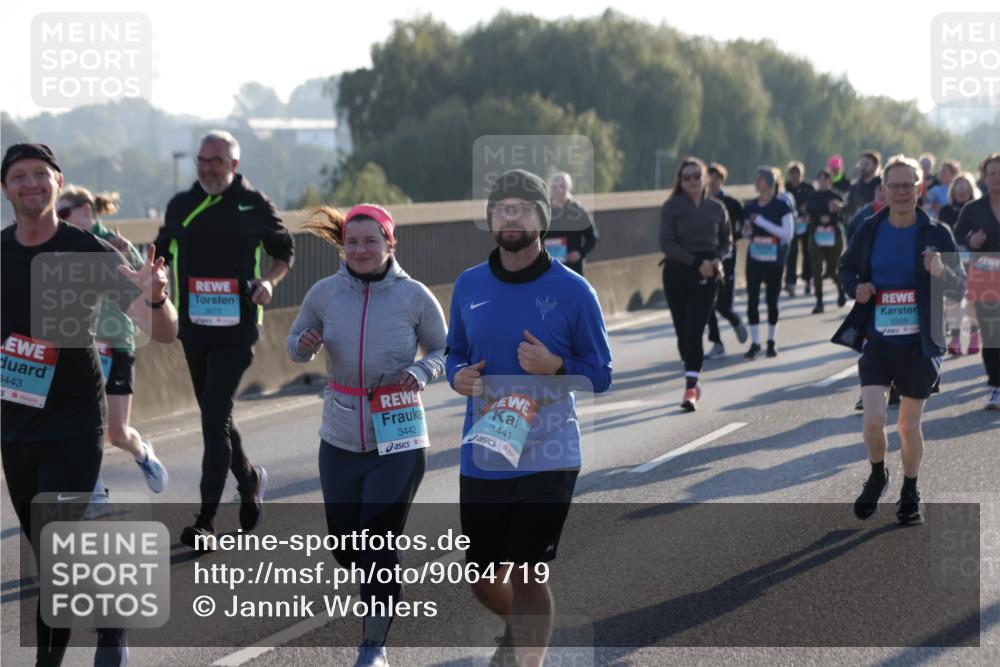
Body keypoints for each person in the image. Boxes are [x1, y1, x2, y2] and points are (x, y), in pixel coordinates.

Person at [2, 143, 177, 666]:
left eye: (40, 174)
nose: (30, 184)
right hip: (14, 424)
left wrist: (154, 295)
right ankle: (111, 617)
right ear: (6, 188)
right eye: (18, 176)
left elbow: (163, 333)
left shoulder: (87, 250)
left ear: (58, 183)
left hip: (75, 420)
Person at [446, 169, 613, 667]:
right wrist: (457, 376)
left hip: (550, 451)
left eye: (521, 207)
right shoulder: (468, 285)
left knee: (529, 574)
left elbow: (601, 375)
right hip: (486, 453)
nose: (510, 216)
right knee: (481, 579)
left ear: (543, 216)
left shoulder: (574, 291)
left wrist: (557, 366)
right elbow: (454, 352)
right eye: (501, 208)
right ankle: (519, 629)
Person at [288, 204, 447, 667]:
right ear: (344, 245)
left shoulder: (414, 296)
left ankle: (373, 646)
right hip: (339, 433)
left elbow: (444, 347)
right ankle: (385, 580)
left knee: (378, 542)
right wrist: (303, 345)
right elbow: (294, 345)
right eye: (352, 242)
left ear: (389, 244)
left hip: (397, 438)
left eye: (370, 241)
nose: (360, 249)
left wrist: (421, 370)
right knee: (344, 543)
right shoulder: (324, 294)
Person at [154, 130, 295, 550]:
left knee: (213, 417)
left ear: (233, 165)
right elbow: (162, 252)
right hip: (194, 328)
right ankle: (248, 479)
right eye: (202, 159)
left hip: (237, 328)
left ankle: (205, 521)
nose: (208, 167)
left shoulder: (254, 204)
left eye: (217, 160)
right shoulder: (182, 204)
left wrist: (269, 282)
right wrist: (155, 278)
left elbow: (284, 253)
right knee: (217, 416)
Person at [833, 154, 965, 525]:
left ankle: (910, 489)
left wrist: (941, 270)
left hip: (920, 343)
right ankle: (878, 474)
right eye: (896, 185)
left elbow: (959, 289)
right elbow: (845, 268)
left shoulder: (937, 233)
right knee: (873, 419)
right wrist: (854, 287)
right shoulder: (870, 229)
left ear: (920, 189)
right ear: (885, 190)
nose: (903, 192)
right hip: (878, 339)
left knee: (908, 426)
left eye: (910, 185)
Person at [56, 186, 169, 509]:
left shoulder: (117, 245)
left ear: (87, 210)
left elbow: (149, 287)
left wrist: (131, 256)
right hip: (80, 347)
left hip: (116, 344)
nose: (59, 221)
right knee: (81, 423)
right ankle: (95, 490)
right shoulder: (64, 248)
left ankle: (142, 452)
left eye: (64, 213)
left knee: (116, 434)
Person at [659, 157, 731, 410]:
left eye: (696, 176)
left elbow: (726, 241)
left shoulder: (717, 208)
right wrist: (694, 262)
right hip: (677, 272)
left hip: (709, 273)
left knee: (694, 331)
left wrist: (718, 260)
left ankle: (690, 387)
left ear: (705, 179)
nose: (691, 181)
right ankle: (691, 373)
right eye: (686, 177)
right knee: (682, 333)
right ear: (680, 181)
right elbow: (666, 244)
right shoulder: (671, 207)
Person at [953, 152, 1000, 410]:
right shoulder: (973, 209)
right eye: (992, 173)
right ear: (984, 177)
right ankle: (996, 386)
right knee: (992, 334)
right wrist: (970, 241)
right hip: (985, 276)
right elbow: (957, 235)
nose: (996, 178)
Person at [742, 166, 794, 358]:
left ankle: (771, 341)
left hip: (774, 259)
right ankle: (755, 343)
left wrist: (762, 222)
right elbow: (745, 232)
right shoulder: (750, 206)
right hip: (755, 257)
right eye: (756, 179)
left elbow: (787, 235)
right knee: (752, 300)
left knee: (772, 300)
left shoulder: (782, 206)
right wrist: (747, 230)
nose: (756, 182)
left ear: (770, 182)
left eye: (760, 179)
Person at [705, 162, 749, 358]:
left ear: (721, 181)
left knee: (723, 305)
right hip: (705, 260)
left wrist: (733, 239)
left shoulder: (732, 203)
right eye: (709, 177)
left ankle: (735, 321)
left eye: (716, 178)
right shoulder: (700, 203)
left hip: (726, 259)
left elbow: (745, 227)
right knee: (705, 304)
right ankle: (716, 342)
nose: (712, 182)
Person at [938, 172, 982, 357]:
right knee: (953, 299)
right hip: (951, 259)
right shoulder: (946, 210)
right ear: (952, 190)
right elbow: (943, 234)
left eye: (966, 187)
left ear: (972, 190)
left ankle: (974, 335)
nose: (962, 190)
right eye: (958, 186)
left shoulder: (979, 209)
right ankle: (954, 339)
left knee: (973, 299)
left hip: (975, 259)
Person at [804, 170, 847, 313]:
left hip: (833, 236)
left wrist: (831, 219)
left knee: (832, 269)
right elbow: (808, 215)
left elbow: (844, 216)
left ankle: (841, 291)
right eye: (820, 179)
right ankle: (819, 302)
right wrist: (817, 219)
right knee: (816, 269)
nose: (822, 182)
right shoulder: (812, 196)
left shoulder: (836, 195)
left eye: (825, 179)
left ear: (829, 181)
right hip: (816, 235)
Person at [545, 172, 599, 275]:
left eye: (562, 186)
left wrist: (580, 253)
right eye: (555, 186)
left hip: (572, 269)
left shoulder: (577, 211)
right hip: (547, 269)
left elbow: (593, 237)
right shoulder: (543, 211)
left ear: (569, 188)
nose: (559, 190)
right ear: (550, 188)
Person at [784, 161, 816, 297]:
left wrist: (808, 211)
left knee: (807, 252)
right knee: (791, 253)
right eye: (792, 173)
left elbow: (815, 202)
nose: (795, 176)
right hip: (791, 224)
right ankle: (790, 282)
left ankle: (808, 280)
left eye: (797, 173)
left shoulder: (808, 187)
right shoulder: (785, 187)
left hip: (806, 223)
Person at [846, 150, 883, 218]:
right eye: (861, 163)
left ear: (875, 166)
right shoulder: (854, 187)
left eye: (866, 164)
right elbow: (849, 207)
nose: (863, 166)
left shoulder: (882, 185)